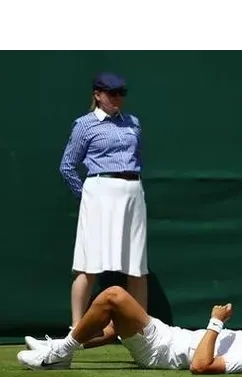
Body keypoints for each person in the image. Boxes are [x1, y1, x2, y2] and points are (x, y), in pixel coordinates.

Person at [17, 287, 242, 374]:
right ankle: (60, 346)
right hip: (170, 337)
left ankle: (58, 354)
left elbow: (200, 366)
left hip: (162, 350)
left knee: (113, 297)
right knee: (112, 326)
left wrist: (215, 322)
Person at [59, 72, 148, 339]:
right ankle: (76, 328)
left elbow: (136, 157)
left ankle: (143, 330)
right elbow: (67, 166)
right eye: (112, 94)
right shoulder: (84, 125)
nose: (117, 98)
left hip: (132, 192)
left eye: (121, 93)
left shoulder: (133, 122)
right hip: (99, 191)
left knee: (137, 264)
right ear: (98, 95)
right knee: (89, 263)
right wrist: (86, 196)